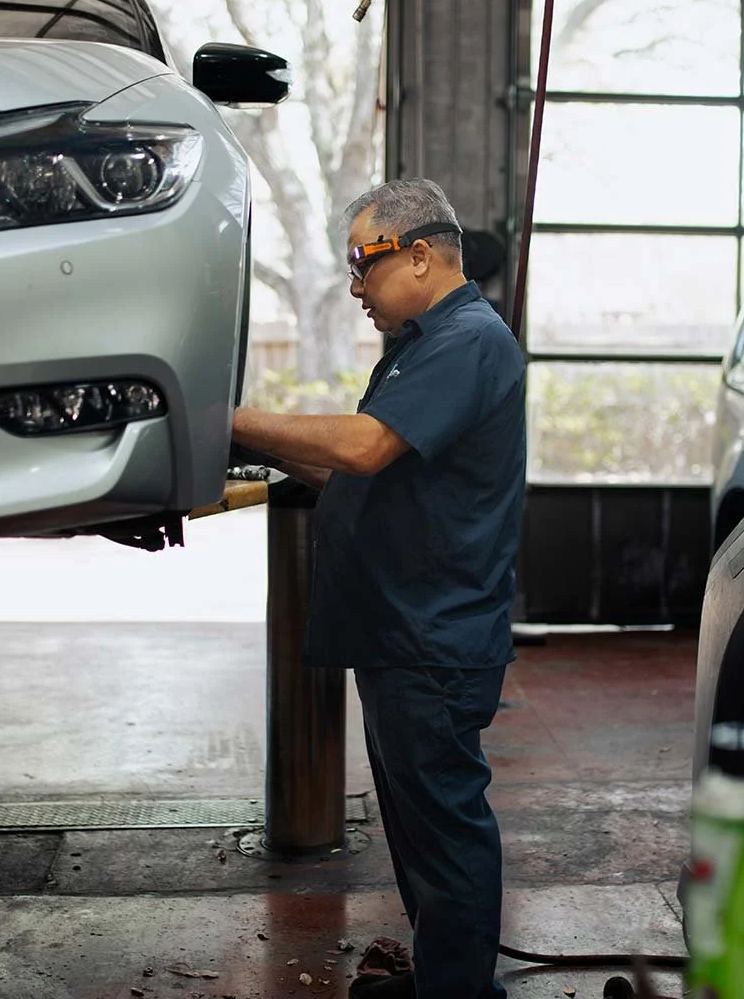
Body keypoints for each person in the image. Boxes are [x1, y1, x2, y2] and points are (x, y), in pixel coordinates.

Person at [231, 178, 526, 999]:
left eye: (364, 263)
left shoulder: (467, 340)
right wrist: (257, 450)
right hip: (404, 631)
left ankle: (462, 995)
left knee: (446, 833)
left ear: (422, 254)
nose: (355, 285)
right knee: (419, 835)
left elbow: (361, 448)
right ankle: (443, 980)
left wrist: (225, 419)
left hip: (432, 636)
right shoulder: (425, 345)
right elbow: (357, 469)